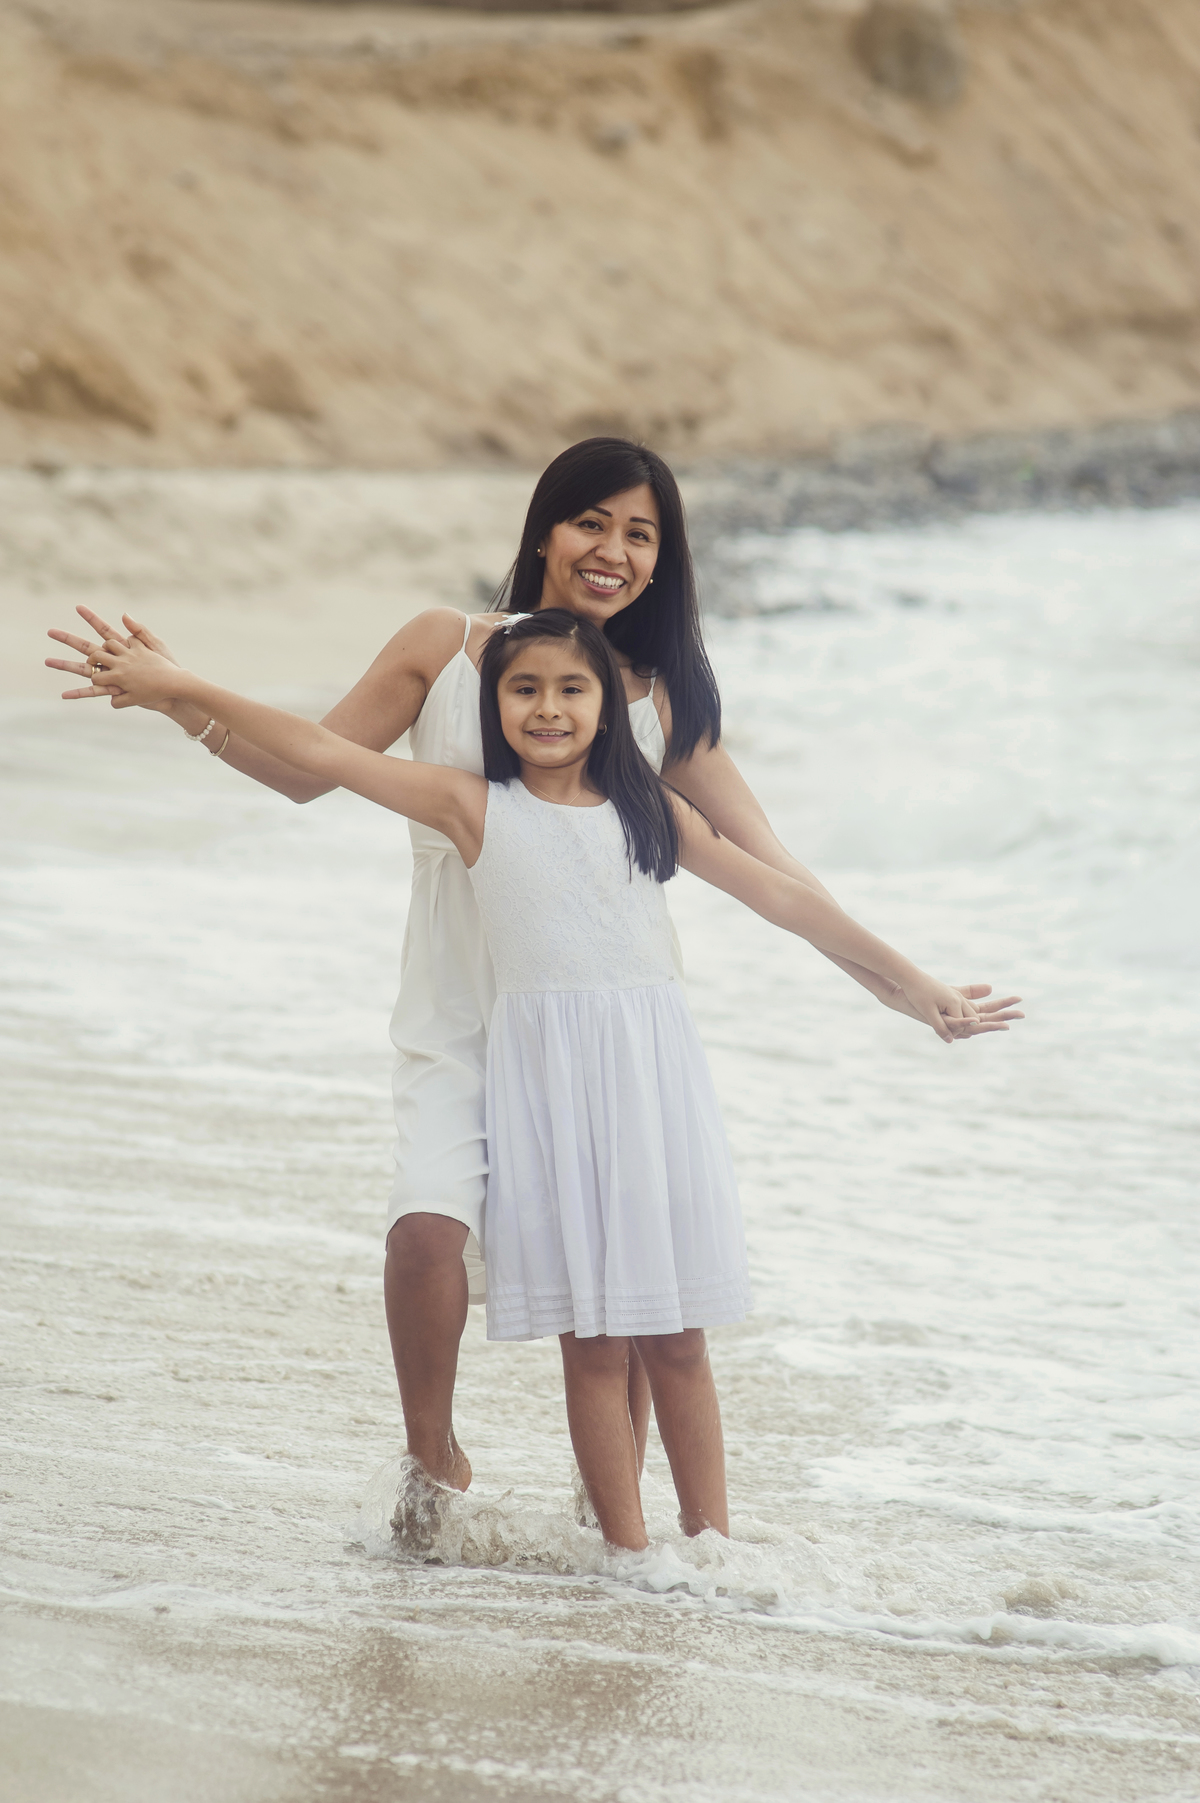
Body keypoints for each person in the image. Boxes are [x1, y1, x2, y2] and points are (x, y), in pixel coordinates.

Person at [46, 437, 1021, 1513]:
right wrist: (179, 699)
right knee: (426, 1232)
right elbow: (306, 770)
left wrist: (904, 985)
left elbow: (776, 873)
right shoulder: (450, 647)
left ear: (664, 560)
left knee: (627, 1293)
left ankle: (622, 1525)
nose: (612, 551)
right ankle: (433, 1461)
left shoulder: (654, 705)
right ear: (545, 531)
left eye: (640, 534)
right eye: (591, 522)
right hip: (457, 997)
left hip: (597, 1022)